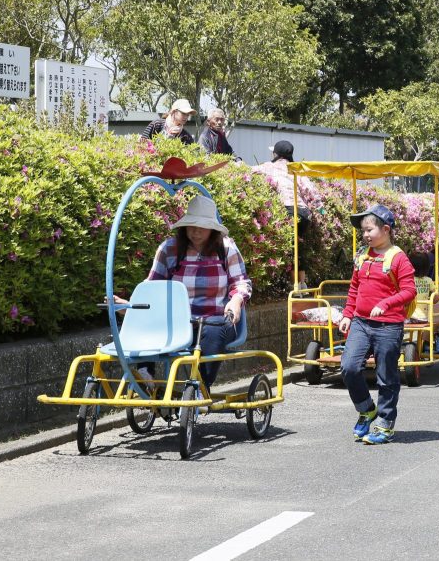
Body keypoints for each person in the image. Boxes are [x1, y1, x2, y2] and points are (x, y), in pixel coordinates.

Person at [112, 194, 251, 390]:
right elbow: (153, 287)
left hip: (214, 320)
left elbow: (241, 282)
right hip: (176, 322)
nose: (195, 232)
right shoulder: (169, 249)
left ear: (212, 228)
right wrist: (131, 306)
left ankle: (200, 386)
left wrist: (236, 300)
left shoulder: (226, 248)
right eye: (191, 226)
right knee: (142, 321)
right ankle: (144, 375)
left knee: (213, 331)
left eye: (201, 226)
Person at [339, 204, 416, 445]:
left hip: (388, 326)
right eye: (363, 231)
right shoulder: (362, 256)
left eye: (369, 230)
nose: (365, 235)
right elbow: (354, 289)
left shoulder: (398, 258)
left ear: (385, 229)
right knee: (349, 367)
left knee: (386, 377)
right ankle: (366, 409)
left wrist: (386, 303)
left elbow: (409, 291)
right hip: (361, 323)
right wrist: (347, 315)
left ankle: (385, 422)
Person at [252, 140, 313, 289]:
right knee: (299, 246)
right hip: (304, 213)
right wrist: (321, 209)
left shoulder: (269, 167)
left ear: (275, 154)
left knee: (291, 247)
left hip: (288, 210)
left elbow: (248, 170)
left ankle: (294, 286)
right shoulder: (296, 168)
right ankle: (302, 284)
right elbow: (310, 191)